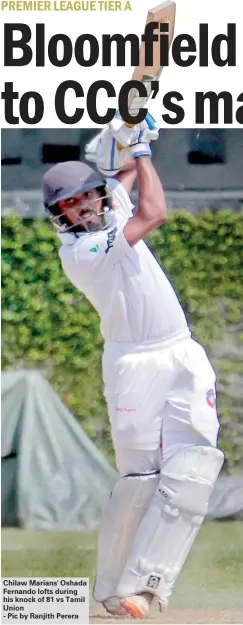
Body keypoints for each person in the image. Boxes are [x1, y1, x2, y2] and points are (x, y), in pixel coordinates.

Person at [42, 115, 224, 620]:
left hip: (182, 351)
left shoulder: (109, 203)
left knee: (196, 466)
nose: (81, 209)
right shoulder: (80, 252)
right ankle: (110, 587)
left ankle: (146, 586)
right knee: (140, 479)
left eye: (85, 197)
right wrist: (141, 152)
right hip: (133, 363)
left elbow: (118, 182)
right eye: (69, 206)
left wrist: (128, 144)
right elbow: (155, 211)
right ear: (61, 216)